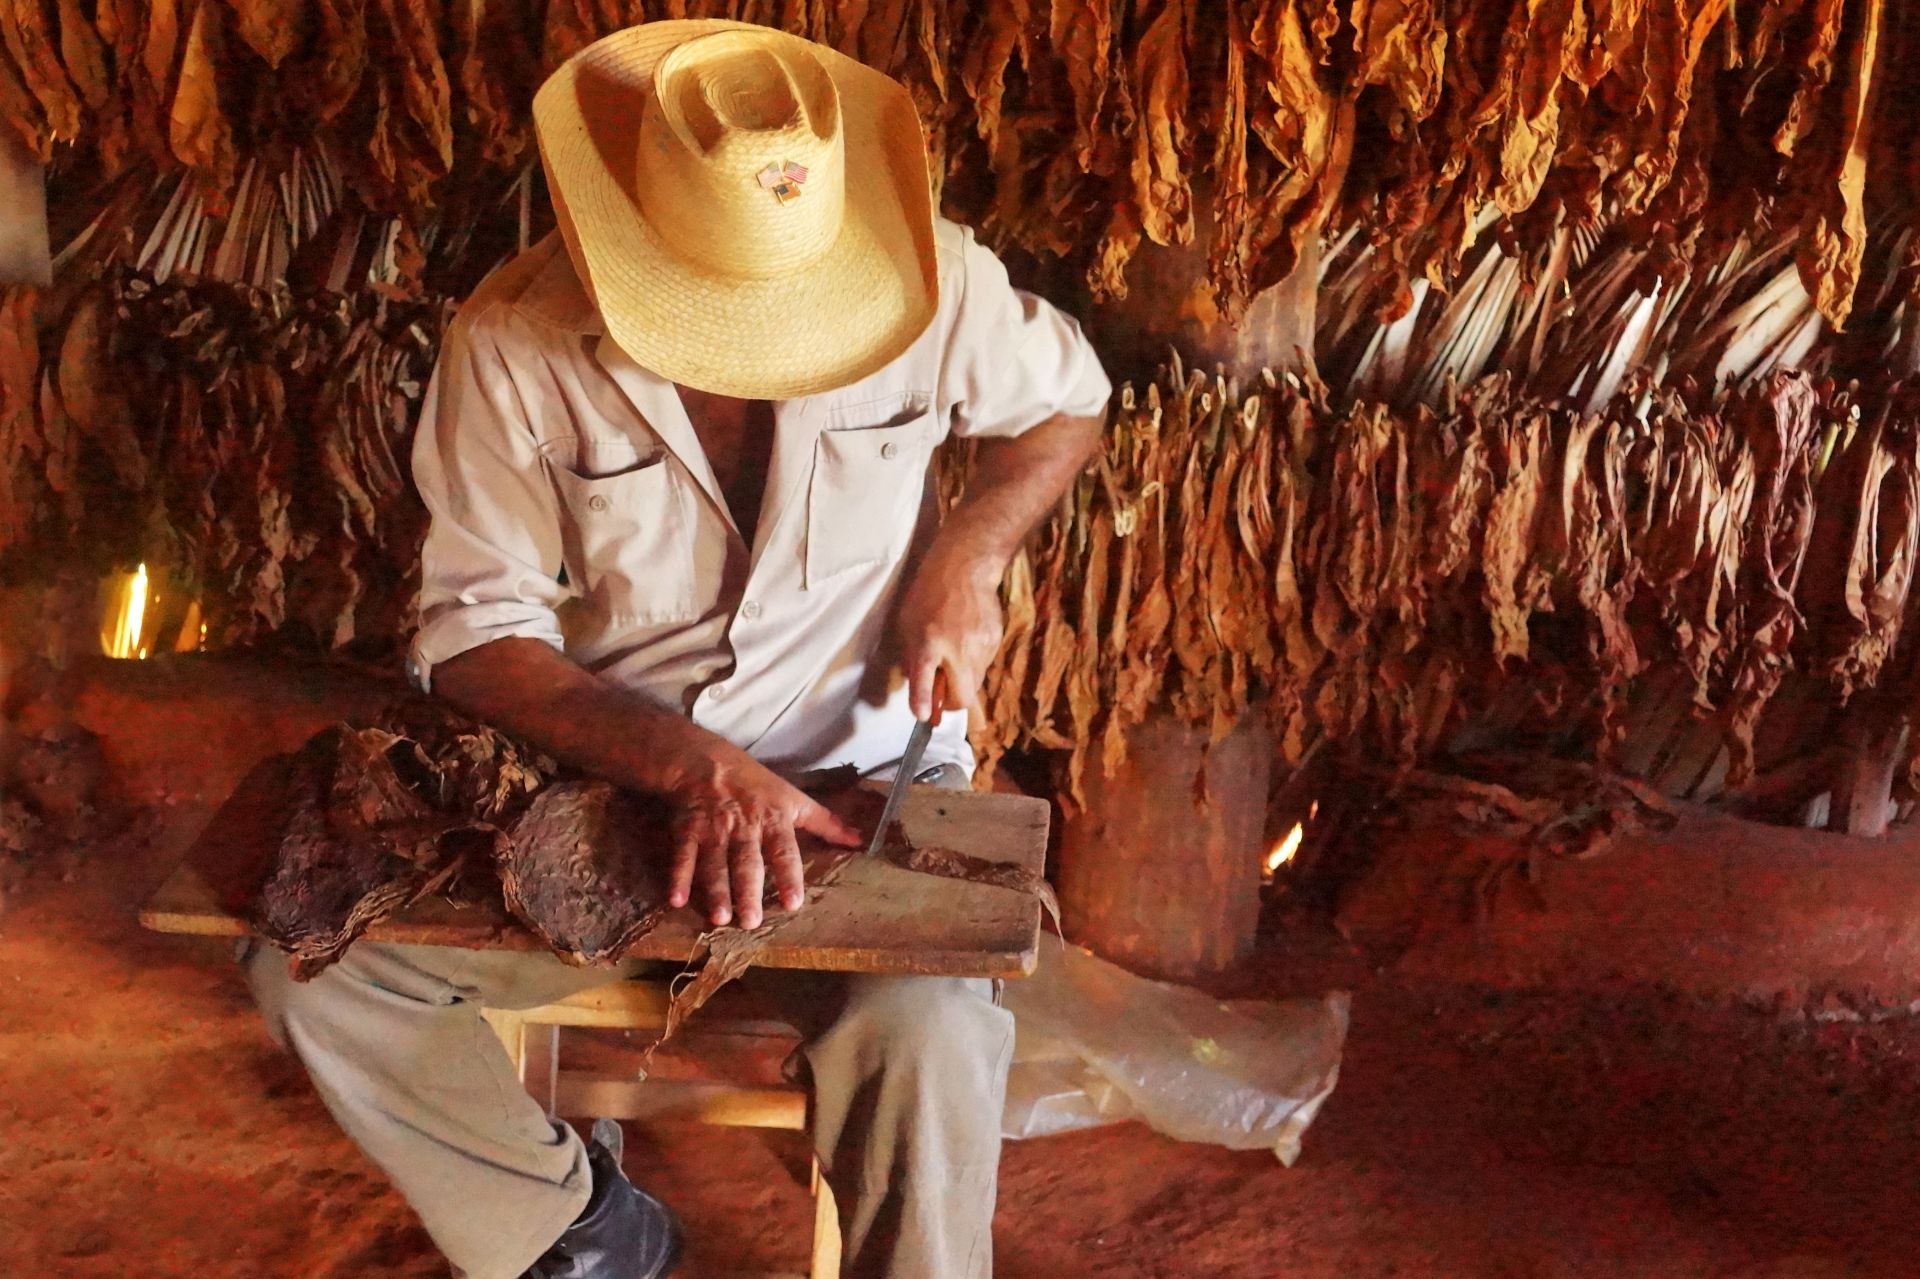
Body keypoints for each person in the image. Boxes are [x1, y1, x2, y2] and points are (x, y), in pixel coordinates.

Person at [245, 17, 1110, 1279]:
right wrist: (690, 766)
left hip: (861, 784)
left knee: (926, 1032)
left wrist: (967, 555)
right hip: (606, 789)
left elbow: (1066, 410)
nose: (761, 351)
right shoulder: (514, 336)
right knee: (317, 977)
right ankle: (576, 1228)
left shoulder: (937, 284)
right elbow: (478, 635)